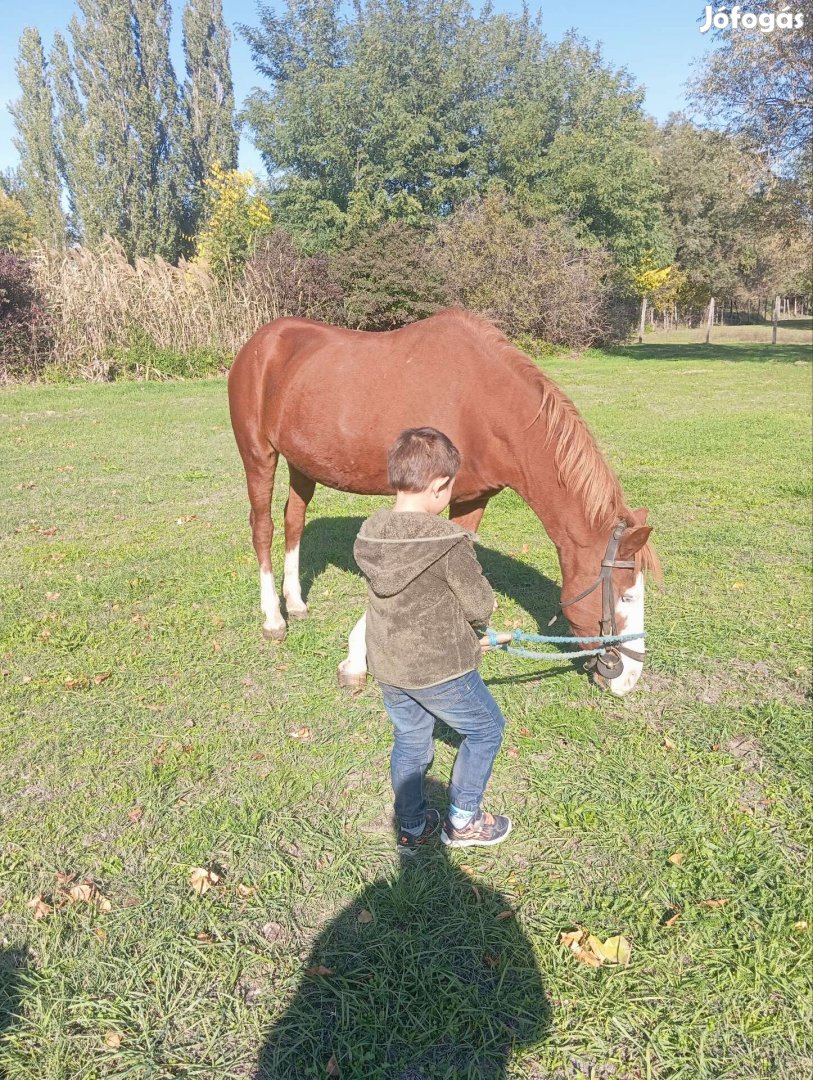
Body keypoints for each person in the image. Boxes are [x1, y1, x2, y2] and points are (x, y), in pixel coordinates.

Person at [353, 426, 512, 853]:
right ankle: (464, 820)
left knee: (410, 739)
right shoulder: (447, 543)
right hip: (441, 668)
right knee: (486, 729)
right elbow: (479, 604)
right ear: (441, 487)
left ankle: (411, 826)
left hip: (388, 666)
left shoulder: (369, 533)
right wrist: (479, 627)